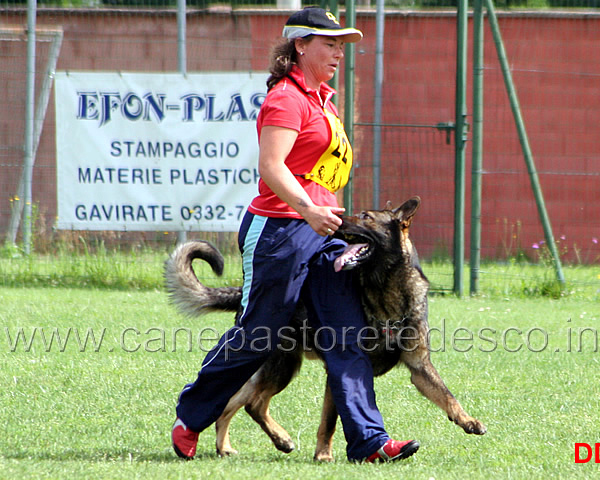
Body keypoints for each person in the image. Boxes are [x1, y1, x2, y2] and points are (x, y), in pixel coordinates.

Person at [171, 6, 420, 463]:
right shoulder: (286, 97)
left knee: (347, 334)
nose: (338, 54)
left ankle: (369, 442)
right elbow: (271, 167)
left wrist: (325, 214)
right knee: (260, 334)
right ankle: (191, 416)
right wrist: (307, 208)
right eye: (330, 44)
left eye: (342, 47)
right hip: (279, 231)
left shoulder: (323, 99)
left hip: (322, 232)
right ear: (300, 45)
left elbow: (317, 172)